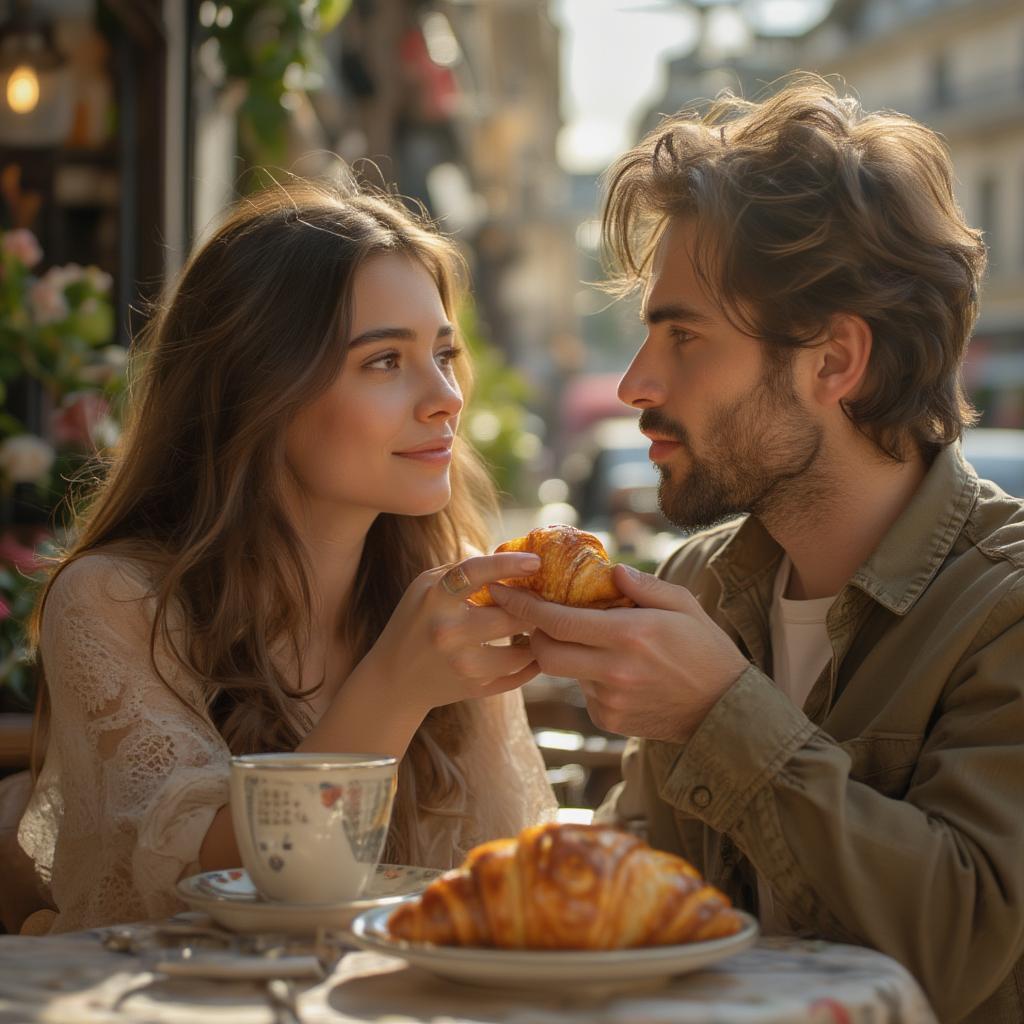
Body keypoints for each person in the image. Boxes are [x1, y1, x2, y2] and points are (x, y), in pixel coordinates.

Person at [490, 77, 1024, 1023]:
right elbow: (644, 901)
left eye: (684, 338)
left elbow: (964, 940)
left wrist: (717, 712)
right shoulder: (699, 584)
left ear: (833, 362)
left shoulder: (1005, 606)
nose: (632, 382)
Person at [16, 178, 555, 934]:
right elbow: (200, 903)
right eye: (383, 362)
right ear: (259, 389)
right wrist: (393, 692)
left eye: (442, 354)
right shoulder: (118, 602)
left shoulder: (448, 589)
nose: (446, 397)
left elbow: (506, 893)